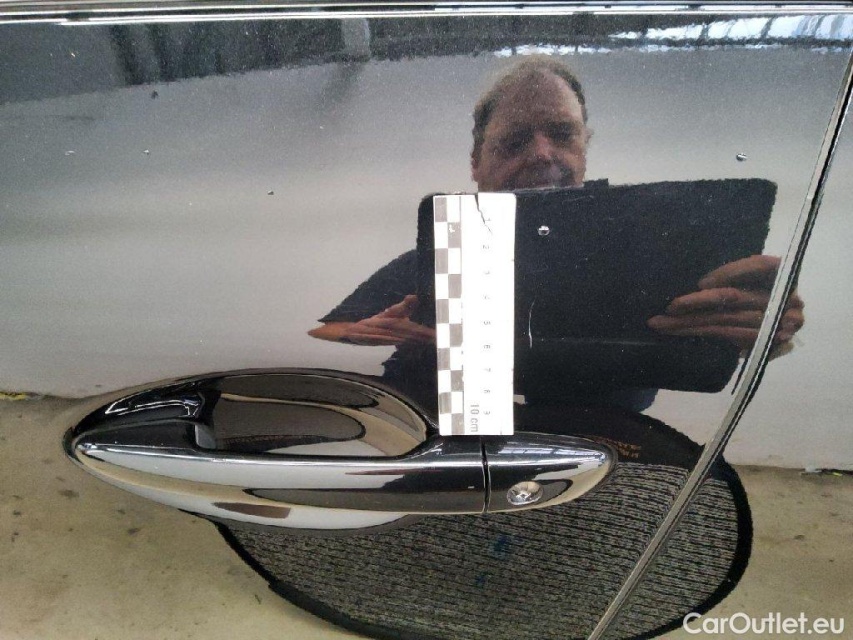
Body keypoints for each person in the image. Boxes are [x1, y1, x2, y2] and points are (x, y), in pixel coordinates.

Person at [308, 57, 804, 394]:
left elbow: (707, 348)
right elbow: (325, 330)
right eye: (515, 141)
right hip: (443, 446)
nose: (543, 154)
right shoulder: (445, 253)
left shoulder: (651, 247)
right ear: (476, 163)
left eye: (562, 134)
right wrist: (366, 333)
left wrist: (766, 333)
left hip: (610, 455)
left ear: (585, 147)